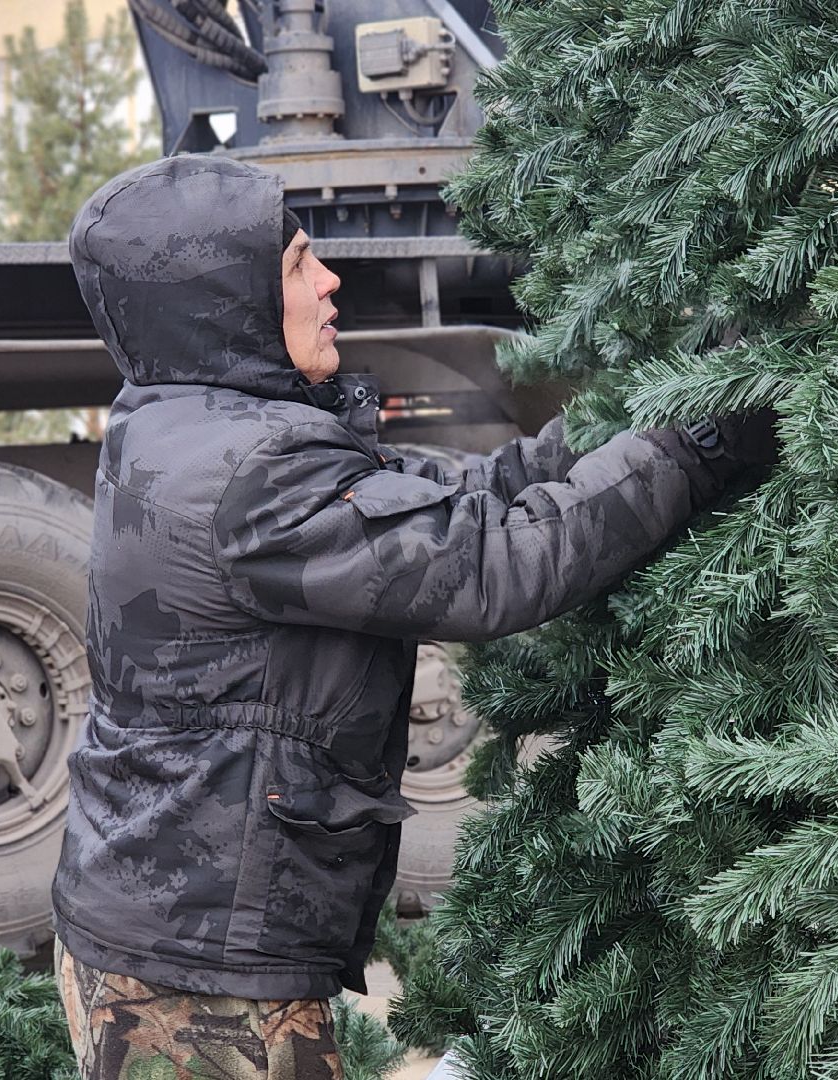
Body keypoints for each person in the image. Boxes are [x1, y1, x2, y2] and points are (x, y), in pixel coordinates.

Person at [49, 155, 774, 1079]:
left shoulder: (188, 425)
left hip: (168, 924)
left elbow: (470, 497)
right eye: (300, 264)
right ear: (224, 303)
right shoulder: (249, 476)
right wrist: (699, 449)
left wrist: (653, 409)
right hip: (199, 975)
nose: (329, 282)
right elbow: (493, 567)